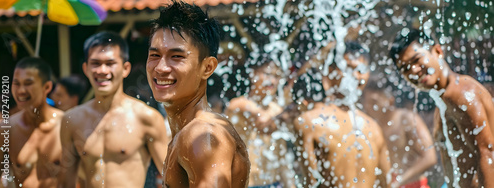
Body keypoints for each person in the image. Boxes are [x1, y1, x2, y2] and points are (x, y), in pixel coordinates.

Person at [146, 1, 250, 187]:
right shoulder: (191, 131)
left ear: (207, 67)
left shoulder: (201, 135)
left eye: (176, 56)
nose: (160, 68)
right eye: (154, 55)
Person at [59, 31, 169, 187]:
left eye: (110, 63)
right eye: (95, 63)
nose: (102, 70)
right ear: (86, 68)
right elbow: (66, 182)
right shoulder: (72, 120)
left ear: (125, 68)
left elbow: (171, 179)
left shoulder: (146, 118)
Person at [389, 28, 494, 187]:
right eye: (405, 69)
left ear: (438, 51)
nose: (413, 71)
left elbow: (487, 153)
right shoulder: (443, 100)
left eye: (416, 60)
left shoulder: (462, 94)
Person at [290, 67, 390, 188]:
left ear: (302, 103)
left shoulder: (307, 122)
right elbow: (387, 181)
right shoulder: (372, 126)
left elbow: (311, 182)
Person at [0, 57, 64, 187]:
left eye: (28, 83)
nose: (21, 90)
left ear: (47, 86)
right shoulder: (6, 129)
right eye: (16, 83)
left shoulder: (65, 125)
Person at [225, 58, 295, 187]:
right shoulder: (239, 105)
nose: (272, 80)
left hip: (273, 183)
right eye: (267, 74)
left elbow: (281, 155)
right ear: (252, 74)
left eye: (277, 76)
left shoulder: (276, 109)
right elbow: (262, 120)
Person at [361, 79, 437, 187]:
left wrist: (400, 181)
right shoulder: (372, 127)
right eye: (366, 102)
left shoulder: (407, 119)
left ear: (390, 100)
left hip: (414, 185)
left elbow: (430, 157)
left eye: (374, 102)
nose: (368, 107)